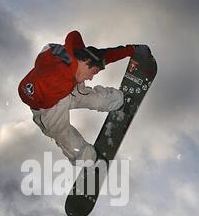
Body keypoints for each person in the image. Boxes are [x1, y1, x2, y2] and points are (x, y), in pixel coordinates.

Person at [18, 30, 149, 164]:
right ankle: (86, 158)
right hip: (47, 107)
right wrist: (55, 53)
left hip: (70, 90)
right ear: (86, 61)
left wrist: (132, 50)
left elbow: (108, 55)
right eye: (93, 73)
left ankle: (117, 100)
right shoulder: (57, 65)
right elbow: (43, 59)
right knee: (61, 131)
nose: (91, 78)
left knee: (92, 97)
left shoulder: (87, 60)